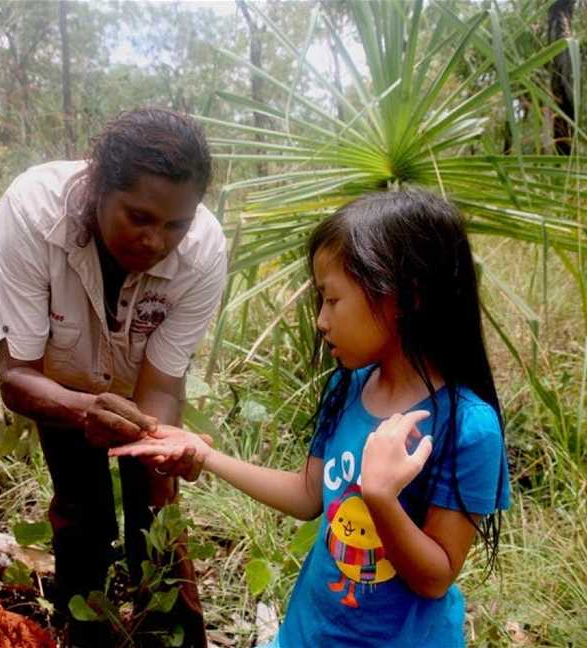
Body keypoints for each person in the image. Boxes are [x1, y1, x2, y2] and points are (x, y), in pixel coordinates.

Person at [111, 190, 511, 647]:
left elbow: (435, 578)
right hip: (309, 634)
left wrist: (381, 497)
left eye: (333, 300)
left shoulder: (467, 427)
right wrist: (205, 455)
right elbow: (308, 495)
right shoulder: (349, 386)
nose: (321, 321)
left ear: (404, 296)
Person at [0, 108, 227, 647]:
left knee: (158, 516)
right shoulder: (31, 211)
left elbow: (161, 385)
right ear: (97, 187)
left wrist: (160, 448)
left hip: (139, 387)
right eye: (138, 217)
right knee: (80, 509)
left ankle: (170, 634)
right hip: (57, 382)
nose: (156, 241)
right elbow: (16, 373)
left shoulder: (204, 249)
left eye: (175, 224)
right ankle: (85, 630)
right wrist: (78, 410)